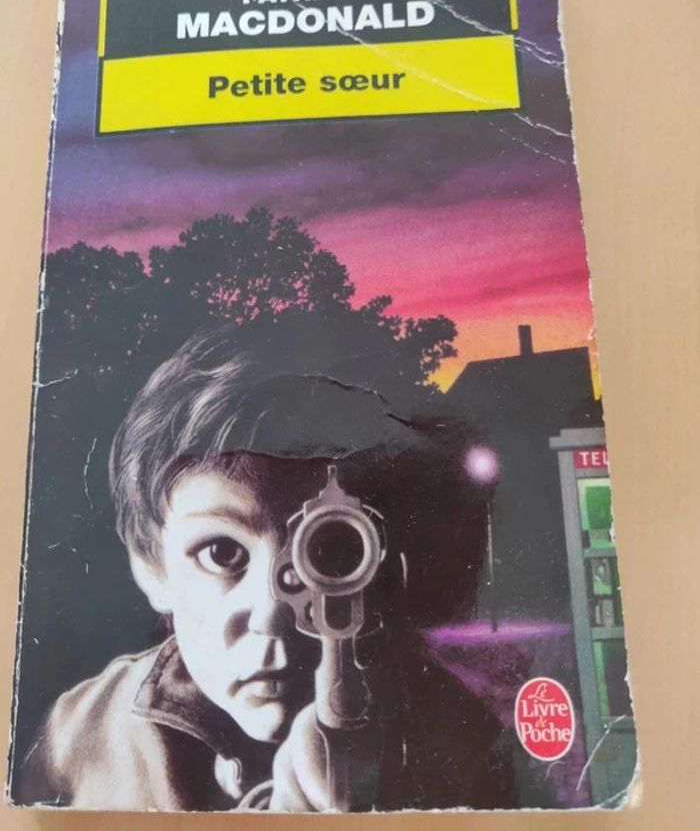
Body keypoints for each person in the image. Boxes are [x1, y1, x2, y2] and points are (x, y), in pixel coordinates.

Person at [19, 314, 517, 811]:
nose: (272, 614)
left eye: (330, 551)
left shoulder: (463, 749)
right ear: (150, 562)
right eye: (222, 553)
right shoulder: (77, 734)